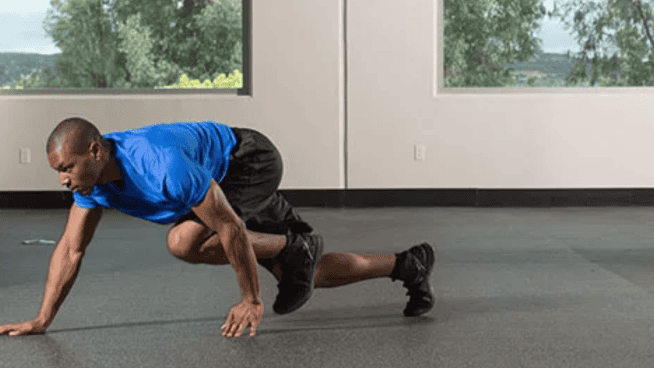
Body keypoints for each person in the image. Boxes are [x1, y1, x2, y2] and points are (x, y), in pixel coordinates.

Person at [0, 118, 436, 339]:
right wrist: (43, 319)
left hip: (247, 160)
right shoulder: (92, 186)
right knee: (303, 270)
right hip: (219, 179)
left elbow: (227, 227)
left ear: (95, 150)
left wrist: (251, 299)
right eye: (58, 171)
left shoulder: (158, 165)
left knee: (184, 240)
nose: (62, 178)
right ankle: (407, 264)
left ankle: (292, 248)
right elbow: (70, 250)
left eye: (67, 167)